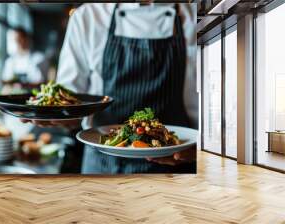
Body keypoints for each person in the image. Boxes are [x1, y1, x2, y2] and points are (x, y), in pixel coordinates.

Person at [23, 3, 198, 174]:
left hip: (175, 165)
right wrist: (59, 116)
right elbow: (70, 98)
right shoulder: (88, 16)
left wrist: (203, 149)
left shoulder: (196, 16)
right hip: (101, 164)